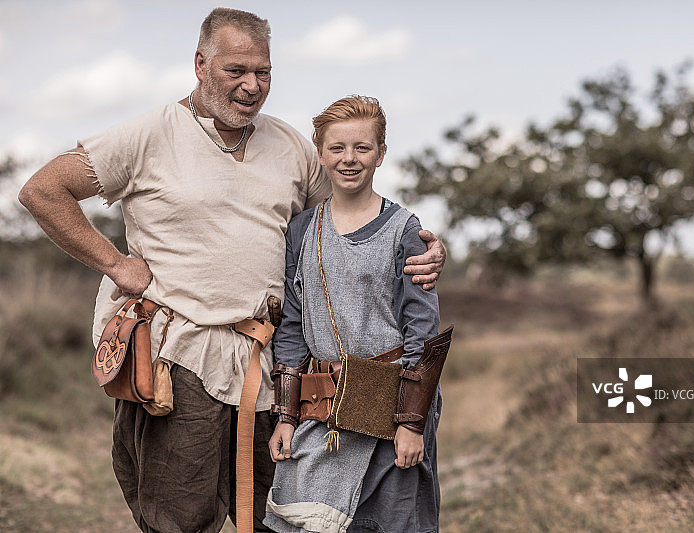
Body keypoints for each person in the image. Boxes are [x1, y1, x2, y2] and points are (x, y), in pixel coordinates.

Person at [17, 9, 445, 533]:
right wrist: (116, 264)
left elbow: (348, 219)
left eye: (262, 72)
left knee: (280, 513)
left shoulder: (290, 146)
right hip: (183, 356)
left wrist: (419, 247)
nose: (251, 86)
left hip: (277, 366)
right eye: (235, 70)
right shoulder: (147, 135)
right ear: (200, 64)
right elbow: (42, 190)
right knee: (182, 518)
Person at [263, 95, 447, 533]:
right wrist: (286, 416)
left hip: (391, 406)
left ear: (380, 154)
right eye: (337, 148)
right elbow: (292, 324)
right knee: (298, 520)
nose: (349, 159)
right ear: (321, 153)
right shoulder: (303, 230)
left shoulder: (405, 230)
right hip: (320, 408)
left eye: (362, 148)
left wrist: (411, 423)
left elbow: (422, 332)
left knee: (389, 523)